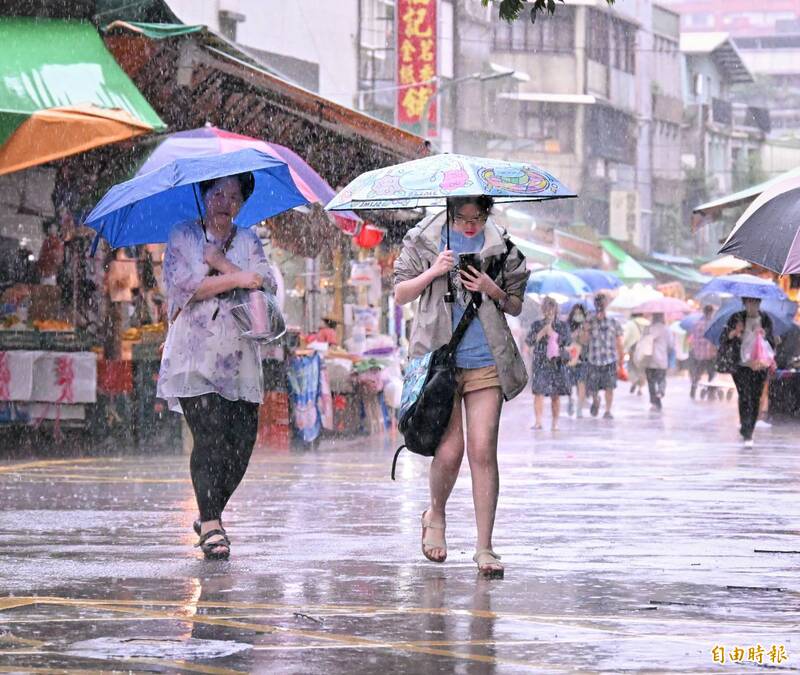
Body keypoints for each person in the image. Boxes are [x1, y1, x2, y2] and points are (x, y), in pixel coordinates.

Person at [393, 195, 529, 578]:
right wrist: (434, 271)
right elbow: (401, 293)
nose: (470, 226)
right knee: (450, 451)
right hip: (440, 361)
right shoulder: (423, 240)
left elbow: (516, 305)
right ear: (449, 212)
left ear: (487, 214)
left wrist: (492, 288)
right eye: (462, 218)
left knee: (483, 449)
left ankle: (484, 546)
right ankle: (435, 513)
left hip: (486, 357)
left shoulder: (501, 247)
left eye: (478, 217)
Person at [158, 173, 276, 560]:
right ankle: (211, 525)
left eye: (234, 195)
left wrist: (221, 263)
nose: (225, 201)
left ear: (242, 202)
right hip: (193, 355)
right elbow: (184, 288)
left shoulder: (249, 240)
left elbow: (265, 283)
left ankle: (211, 513)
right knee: (209, 439)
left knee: (240, 445)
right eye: (218, 193)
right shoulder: (182, 236)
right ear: (203, 194)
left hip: (241, 356)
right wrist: (238, 277)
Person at [717, 297, 776, 447]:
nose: (752, 306)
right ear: (744, 303)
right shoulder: (736, 317)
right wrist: (735, 332)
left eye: (755, 302)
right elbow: (723, 338)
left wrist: (765, 335)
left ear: (759, 303)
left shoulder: (765, 319)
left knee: (755, 397)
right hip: (741, 364)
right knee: (744, 395)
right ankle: (746, 428)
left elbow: (772, 342)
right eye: (749, 302)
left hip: (759, 364)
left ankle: (750, 428)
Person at [526, 297, 571, 430]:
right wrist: (542, 333)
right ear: (543, 310)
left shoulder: (562, 326)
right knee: (538, 393)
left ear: (556, 309)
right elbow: (529, 342)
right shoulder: (536, 325)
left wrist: (555, 336)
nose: (549, 312)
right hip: (540, 363)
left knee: (555, 395)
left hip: (557, 363)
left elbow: (567, 342)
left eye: (551, 308)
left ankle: (555, 423)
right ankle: (538, 421)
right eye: (546, 309)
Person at [582, 293, 624, 419]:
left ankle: (607, 410)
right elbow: (584, 340)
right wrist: (586, 328)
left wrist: (620, 357)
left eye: (603, 303)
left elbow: (619, 340)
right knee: (593, 388)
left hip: (609, 359)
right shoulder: (589, 320)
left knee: (609, 387)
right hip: (593, 359)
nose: (601, 305)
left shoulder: (613, 321)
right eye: (599, 303)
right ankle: (596, 400)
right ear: (596, 305)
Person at [639, 313, 673, 411]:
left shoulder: (648, 329)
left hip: (649, 359)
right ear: (662, 317)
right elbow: (670, 345)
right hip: (661, 359)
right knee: (661, 378)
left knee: (651, 382)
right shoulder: (666, 329)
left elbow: (642, 341)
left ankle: (654, 402)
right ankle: (660, 391)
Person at [688, 304, 718, 399]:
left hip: (699, 354)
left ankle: (693, 390)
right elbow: (715, 339)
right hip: (710, 353)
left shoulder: (697, 324)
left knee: (698, 373)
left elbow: (694, 338)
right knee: (711, 373)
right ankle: (710, 393)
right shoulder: (713, 324)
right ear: (711, 312)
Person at [566, 303, 588, 418]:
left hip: (583, 359)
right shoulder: (568, 326)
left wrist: (584, 332)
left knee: (581, 383)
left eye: (580, 313)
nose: (578, 315)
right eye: (576, 313)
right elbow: (565, 340)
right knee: (569, 384)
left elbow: (587, 341)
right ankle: (570, 401)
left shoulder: (586, 326)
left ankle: (579, 408)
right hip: (570, 359)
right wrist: (574, 335)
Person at [623, 313, 649, 396]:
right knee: (642, 369)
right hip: (645, 349)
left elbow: (625, 337)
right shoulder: (648, 323)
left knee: (631, 366)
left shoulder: (630, 324)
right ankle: (640, 388)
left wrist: (623, 348)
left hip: (633, 348)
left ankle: (634, 381)